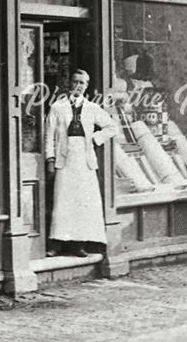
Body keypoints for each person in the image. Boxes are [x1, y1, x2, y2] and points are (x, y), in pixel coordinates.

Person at [44, 68, 117, 257]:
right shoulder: (57, 107)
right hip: (64, 158)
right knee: (63, 201)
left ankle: (79, 245)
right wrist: (50, 159)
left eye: (82, 83)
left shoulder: (92, 108)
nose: (78, 86)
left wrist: (95, 138)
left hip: (84, 160)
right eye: (75, 82)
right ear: (69, 83)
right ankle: (57, 244)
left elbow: (111, 127)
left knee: (82, 202)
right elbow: (49, 135)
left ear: (87, 86)